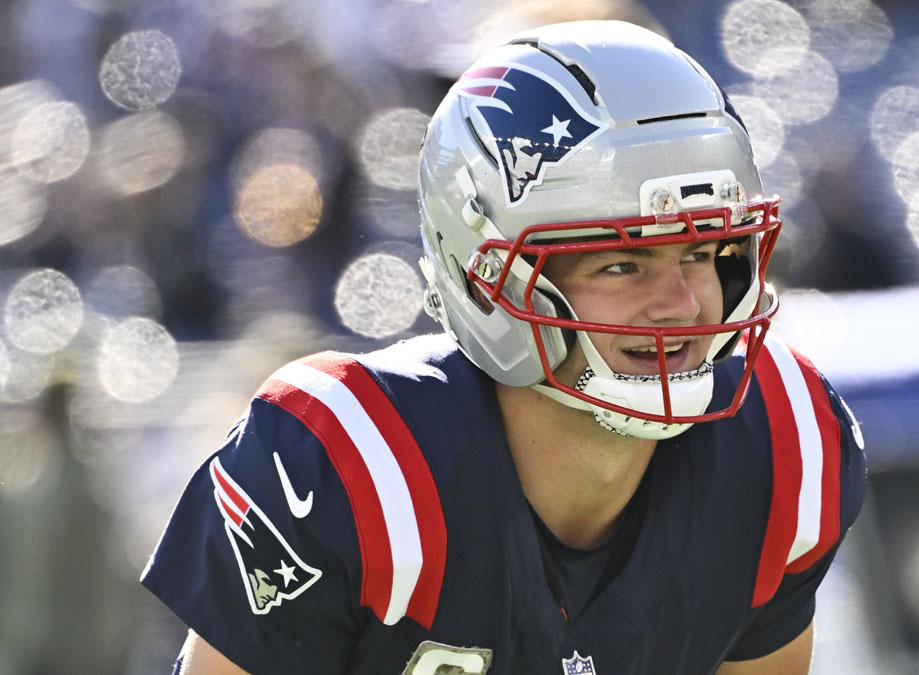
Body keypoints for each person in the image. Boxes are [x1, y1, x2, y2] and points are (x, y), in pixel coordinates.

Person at [141, 20, 867, 675]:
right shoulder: (348, 467)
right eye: (622, 264)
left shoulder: (779, 445)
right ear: (491, 278)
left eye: (703, 252)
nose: (681, 302)